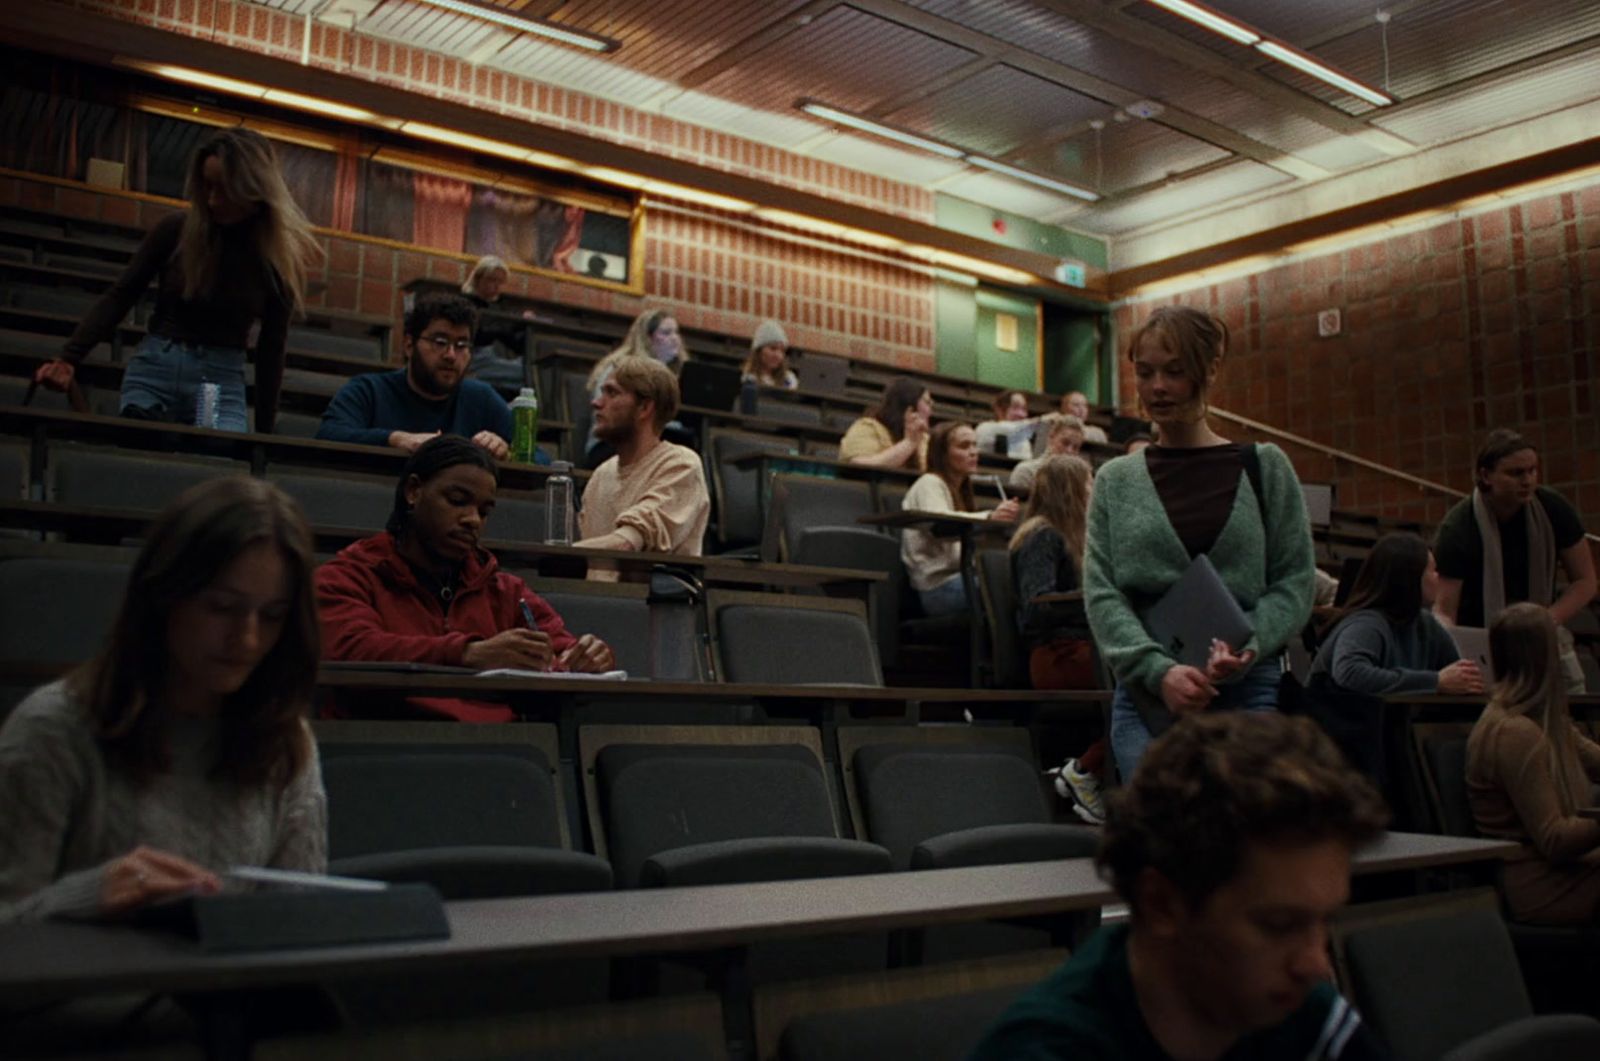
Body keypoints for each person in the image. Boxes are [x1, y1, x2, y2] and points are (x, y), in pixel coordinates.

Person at [972, 711, 1390, 1061]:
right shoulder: (1042, 1051)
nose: (1317, 965)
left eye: (1325, 921)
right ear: (1161, 904)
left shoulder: (1301, 1012)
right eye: (1279, 925)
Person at [0, 477, 326, 921]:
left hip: (222, 989)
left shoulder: (284, 741)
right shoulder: (54, 729)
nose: (247, 639)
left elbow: (297, 927)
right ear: (165, 595)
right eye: (221, 607)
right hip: (78, 989)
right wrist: (87, 896)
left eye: (271, 616)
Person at [1085, 306, 1315, 780]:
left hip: (1248, 691)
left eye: (1175, 371)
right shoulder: (1115, 480)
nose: (1157, 388)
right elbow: (1104, 593)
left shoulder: (1265, 466)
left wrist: (1248, 646)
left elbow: (1293, 580)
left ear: (1209, 369)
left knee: (1243, 839)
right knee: (1165, 840)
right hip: (1150, 698)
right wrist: (1158, 671)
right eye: (1144, 373)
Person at [32, 127, 317, 434]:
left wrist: (264, 436)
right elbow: (122, 295)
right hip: (158, 367)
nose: (212, 200)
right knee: (144, 463)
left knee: (216, 471)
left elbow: (271, 348)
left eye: (224, 189)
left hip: (219, 379)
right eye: (207, 187)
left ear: (253, 190)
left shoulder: (275, 258)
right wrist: (69, 358)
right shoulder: (176, 230)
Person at [316, 436, 616, 723]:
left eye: (484, 511)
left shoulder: (505, 590)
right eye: (458, 501)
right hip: (385, 746)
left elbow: (561, 647)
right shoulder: (347, 576)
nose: (473, 519)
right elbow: (351, 650)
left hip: (497, 752)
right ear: (413, 491)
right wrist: (467, 654)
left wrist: (588, 656)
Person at [1433, 429, 1595, 694]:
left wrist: (1545, 619)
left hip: (1542, 629)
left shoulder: (1553, 508)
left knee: (1573, 693)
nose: (1528, 480)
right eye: (1516, 473)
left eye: (1533, 471)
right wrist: (1462, 649)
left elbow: (1585, 581)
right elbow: (1443, 610)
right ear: (1486, 476)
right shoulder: (1458, 527)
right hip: (1483, 639)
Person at [1467, 602, 1600, 925]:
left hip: (1572, 873)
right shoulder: (1514, 732)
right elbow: (1554, 839)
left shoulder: (1540, 718)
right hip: (1542, 884)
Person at [1010, 455, 1105, 823]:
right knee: (1148, 687)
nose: (1094, 488)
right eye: (1089, 481)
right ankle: (1086, 769)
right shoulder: (1042, 535)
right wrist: (1097, 605)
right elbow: (1037, 606)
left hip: (1085, 649)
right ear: (1071, 489)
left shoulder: (1073, 535)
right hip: (1058, 655)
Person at [317, 292, 515, 458]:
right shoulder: (368, 390)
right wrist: (397, 439)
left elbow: (538, 457)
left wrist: (505, 451)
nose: (451, 355)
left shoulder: (481, 398)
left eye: (462, 345)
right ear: (409, 346)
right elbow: (328, 435)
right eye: (440, 342)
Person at [1309, 533, 1482, 697]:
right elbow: (1350, 673)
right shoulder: (1366, 624)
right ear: (1411, 578)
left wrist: (1465, 680)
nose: (1438, 577)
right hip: (1330, 724)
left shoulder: (1426, 624)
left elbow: (1456, 673)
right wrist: (1434, 681)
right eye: (1432, 570)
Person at [576, 355, 710, 559]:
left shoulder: (681, 465)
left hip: (648, 591)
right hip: (591, 590)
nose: (596, 402)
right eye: (602, 392)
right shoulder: (602, 474)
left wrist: (553, 554)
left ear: (645, 408)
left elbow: (626, 543)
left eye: (612, 393)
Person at [901, 421, 1020, 616]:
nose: (974, 452)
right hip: (938, 589)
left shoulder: (960, 491)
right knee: (1007, 588)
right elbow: (940, 522)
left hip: (963, 578)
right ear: (942, 454)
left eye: (974, 445)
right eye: (964, 446)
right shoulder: (929, 483)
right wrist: (990, 517)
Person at [582, 308, 686, 469]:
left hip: (652, 443)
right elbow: (610, 415)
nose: (675, 339)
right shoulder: (619, 368)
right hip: (611, 445)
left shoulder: (675, 375)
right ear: (647, 338)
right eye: (666, 333)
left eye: (676, 332)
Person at [459, 254, 536, 385]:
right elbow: (478, 336)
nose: (496, 286)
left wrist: (526, 325)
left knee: (529, 371)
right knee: (528, 374)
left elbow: (510, 340)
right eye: (491, 280)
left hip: (489, 359)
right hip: (472, 359)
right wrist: (513, 324)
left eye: (500, 282)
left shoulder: (497, 307)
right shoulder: (466, 303)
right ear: (478, 279)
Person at [839, 377, 932, 470]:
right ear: (909, 409)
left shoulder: (925, 439)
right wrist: (909, 443)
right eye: (927, 403)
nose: (930, 412)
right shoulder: (868, 427)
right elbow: (858, 467)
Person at [1010, 414, 1085, 491]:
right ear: (1051, 438)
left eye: (1075, 447)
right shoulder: (1026, 472)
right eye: (1065, 443)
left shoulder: (1078, 482)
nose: (1069, 451)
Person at [975, 390, 1038, 460]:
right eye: (1015, 407)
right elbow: (1010, 429)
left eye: (1024, 409)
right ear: (999, 410)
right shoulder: (984, 429)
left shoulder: (1025, 442)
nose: (1022, 414)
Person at [740, 320, 798, 390]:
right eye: (773, 348)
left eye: (782, 351)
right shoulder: (746, 378)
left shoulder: (789, 381)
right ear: (759, 351)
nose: (778, 355)